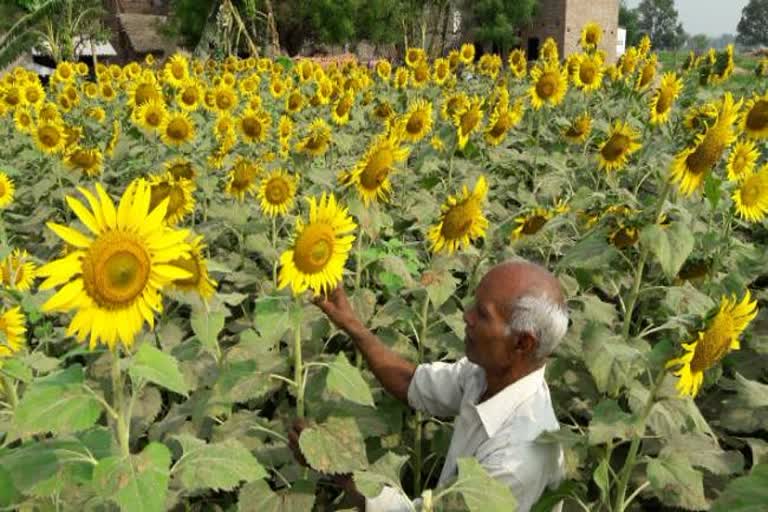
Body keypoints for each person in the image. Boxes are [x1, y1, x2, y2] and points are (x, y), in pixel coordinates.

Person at [289, 260, 569, 511]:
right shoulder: (486, 375)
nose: (466, 316)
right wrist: (351, 324)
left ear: (523, 343)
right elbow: (411, 382)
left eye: (482, 314)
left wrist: (331, 461)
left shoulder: (517, 460)